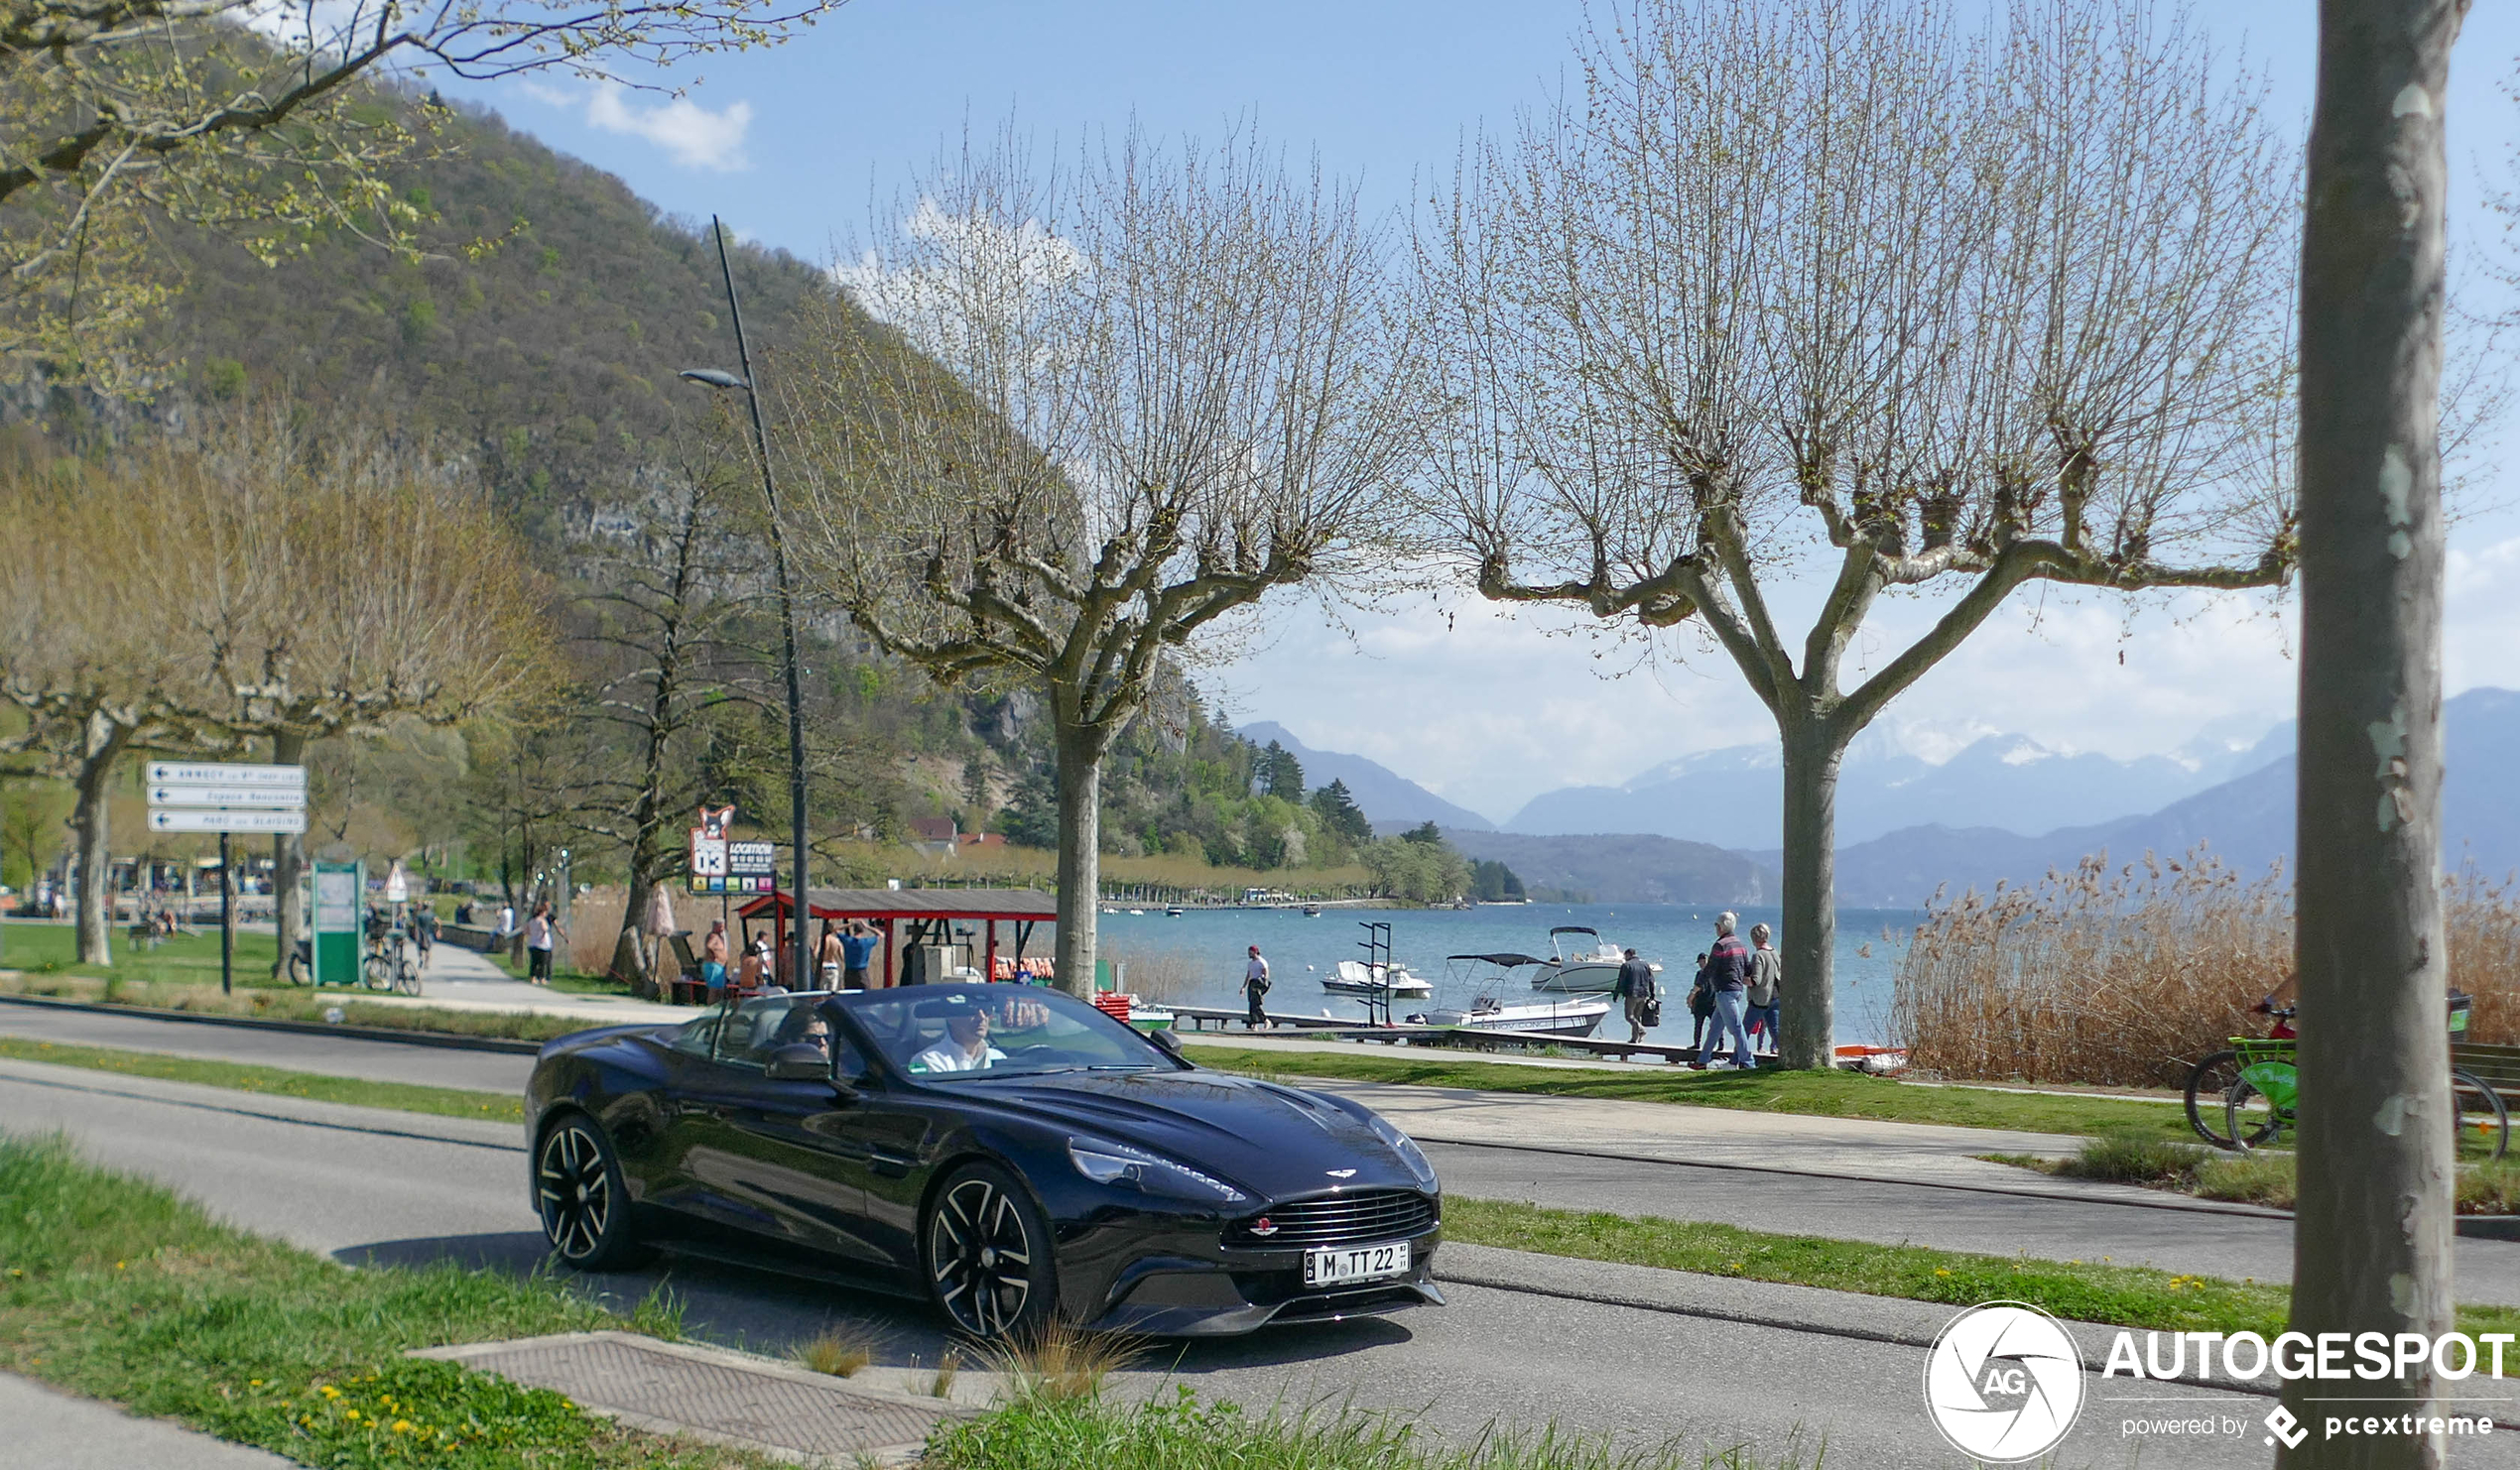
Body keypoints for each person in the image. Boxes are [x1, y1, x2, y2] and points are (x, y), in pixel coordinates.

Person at [1693, 912, 1754, 1070]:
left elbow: (1709, 969)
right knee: (1715, 1028)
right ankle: (1703, 1060)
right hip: (1735, 990)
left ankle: (1748, 1062)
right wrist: (1751, 981)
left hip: (1725, 991)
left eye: (1716, 925)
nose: (1716, 929)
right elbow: (1747, 968)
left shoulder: (1720, 945)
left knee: (1736, 1027)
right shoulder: (1741, 944)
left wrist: (1694, 990)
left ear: (1720, 927)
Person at [912, 1008, 1006, 1073]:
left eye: (986, 1011)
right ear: (951, 1019)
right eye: (972, 1011)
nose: (982, 1017)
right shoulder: (927, 1060)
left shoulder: (998, 1057)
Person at [1744, 922, 1782, 1055]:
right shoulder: (1774, 952)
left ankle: (1735, 1060)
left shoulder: (1758, 955)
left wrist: (1739, 978)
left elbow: (1756, 980)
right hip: (1776, 996)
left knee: (1745, 1031)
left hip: (1760, 1000)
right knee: (1775, 1030)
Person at [1612, 947, 1658, 1044]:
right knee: (1637, 1017)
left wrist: (1616, 994)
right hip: (1644, 994)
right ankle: (1634, 1039)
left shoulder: (1626, 965)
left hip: (1632, 994)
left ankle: (1641, 1030)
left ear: (1628, 955)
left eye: (1625, 956)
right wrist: (1652, 995)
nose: (1625, 958)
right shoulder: (1645, 965)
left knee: (1629, 1016)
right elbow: (1651, 981)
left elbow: (1621, 981)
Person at [525, 902, 562, 985]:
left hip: (532, 943)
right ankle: (542, 978)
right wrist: (542, 936)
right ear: (542, 913)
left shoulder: (531, 920)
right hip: (543, 945)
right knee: (543, 963)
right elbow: (544, 929)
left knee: (534, 962)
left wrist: (533, 934)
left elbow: (526, 931)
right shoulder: (542, 921)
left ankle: (533, 977)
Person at [839, 919, 879, 989]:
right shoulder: (866, 942)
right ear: (863, 930)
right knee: (866, 993)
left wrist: (850, 924)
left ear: (854, 930)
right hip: (861, 971)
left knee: (849, 993)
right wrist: (867, 926)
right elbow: (880, 934)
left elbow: (835, 930)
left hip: (849, 971)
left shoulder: (848, 941)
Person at [1687, 954, 1714, 1049]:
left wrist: (1691, 999)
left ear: (1703, 961)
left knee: (1700, 1025)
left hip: (1703, 1003)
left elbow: (1697, 987)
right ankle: (1720, 1045)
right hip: (1711, 1003)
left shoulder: (1701, 974)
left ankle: (1697, 1044)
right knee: (1714, 1024)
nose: (1699, 964)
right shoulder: (1715, 972)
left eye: (1700, 962)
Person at [1241, 944, 1272, 1030]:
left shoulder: (1261, 962)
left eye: (1250, 952)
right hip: (1252, 983)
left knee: (1256, 1004)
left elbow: (1266, 974)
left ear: (1255, 952)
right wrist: (1243, 987)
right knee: (1251, 1005)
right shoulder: (1250, 963)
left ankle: (1266, 1020)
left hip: (1258, 984)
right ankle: (1254, 1024)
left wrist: (1262, 985)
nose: (1249, 954)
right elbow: (1248, 975)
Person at [700, 919, 730, 999]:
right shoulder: (713, 936)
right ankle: (711, 1006)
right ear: (715, 926)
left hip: (719, 966)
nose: (722, 929)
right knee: (714, 989)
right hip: (714, 965)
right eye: (720, 926)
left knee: (720, 990)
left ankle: (717, 1006)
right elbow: (709, 945)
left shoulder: (720, 937)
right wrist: (715, 955)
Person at [818, 919, 844, 990]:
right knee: (833, 991)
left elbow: (815, 954)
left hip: (823, 966)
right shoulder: (836, 941)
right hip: (833, 966)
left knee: (822, 992)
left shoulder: (820, 940)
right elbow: (842, 957)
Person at [412, 903, 438, 971]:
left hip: (421, 934)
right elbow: (438, 922)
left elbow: (416, 926)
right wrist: (438, 930)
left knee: (420, 949)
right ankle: (426, 963)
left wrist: (415, 934)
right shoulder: (431, 914)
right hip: (429, 934)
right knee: (428, 950)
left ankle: (421, 959)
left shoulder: (419, 915)